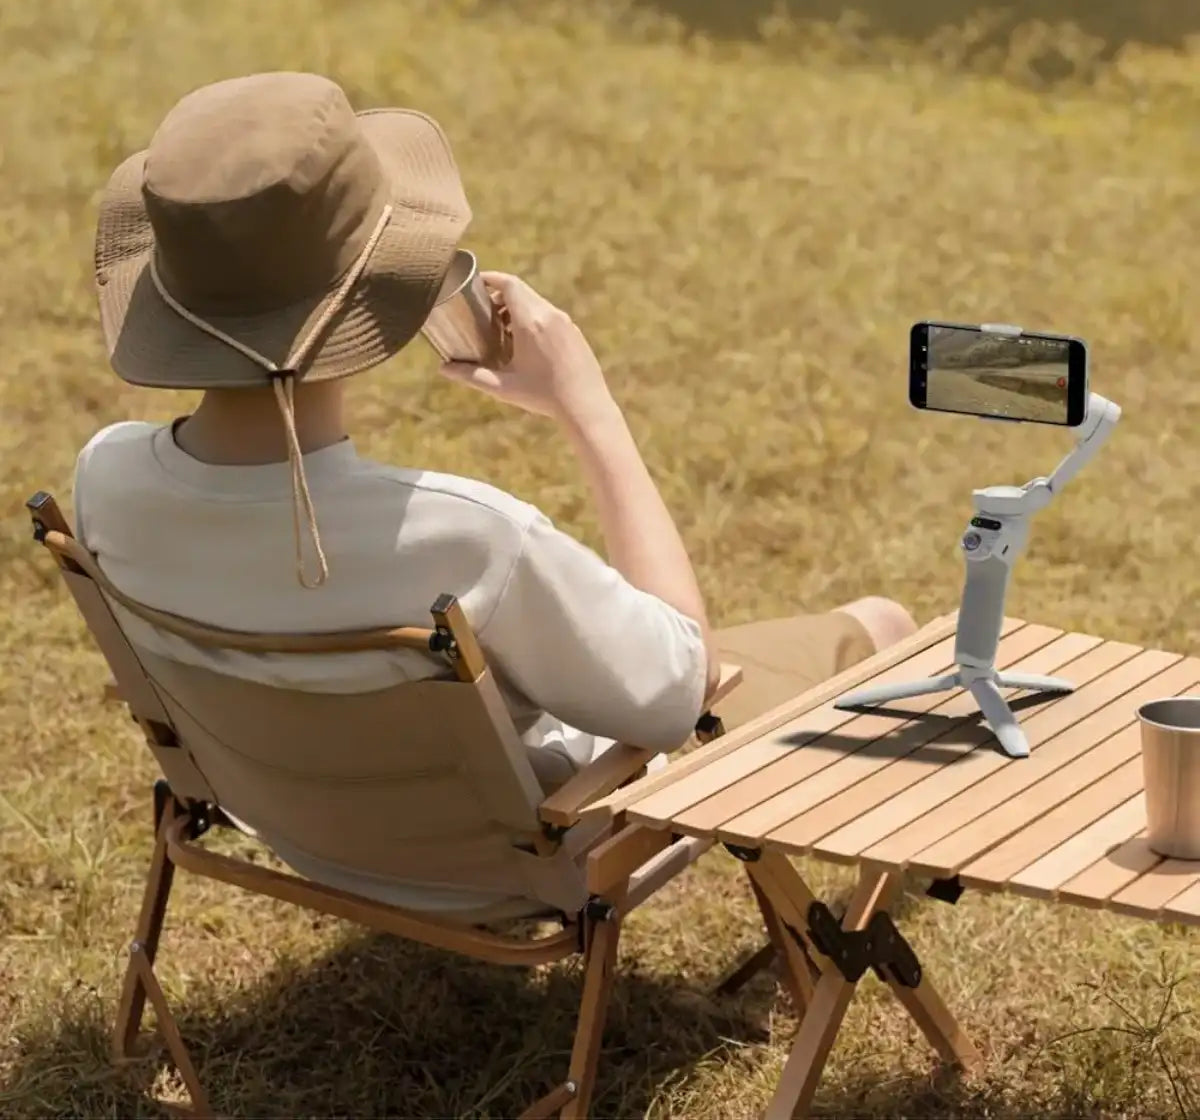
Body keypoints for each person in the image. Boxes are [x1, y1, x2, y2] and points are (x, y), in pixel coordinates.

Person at [76, 71, 916, 912]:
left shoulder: (104, 480)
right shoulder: (467, 538)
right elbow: (681, 693)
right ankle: (856, 933)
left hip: (291, 829)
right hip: (526, 861)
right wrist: (589, 408)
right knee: (880, 627)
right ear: (377, 289)